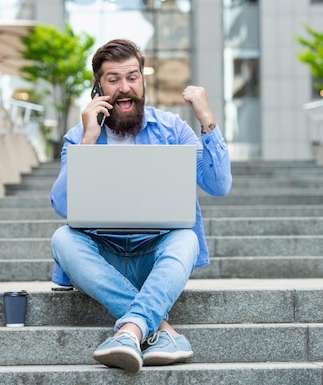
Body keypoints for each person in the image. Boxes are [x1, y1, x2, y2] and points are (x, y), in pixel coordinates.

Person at [49, 39, 232, 373]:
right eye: (113, 79)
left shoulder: (172, 129)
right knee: (62, 239)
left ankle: (130, 331)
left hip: (156, 257)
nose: (124, 88)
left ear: (143, 80)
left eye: (132, 77)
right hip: (103, 259)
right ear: (98, 86)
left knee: (187, 237)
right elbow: (62, 206)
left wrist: (206, 120)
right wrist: (88, 142)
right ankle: (161, 330)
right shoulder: (79, 135)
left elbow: (218, 186)